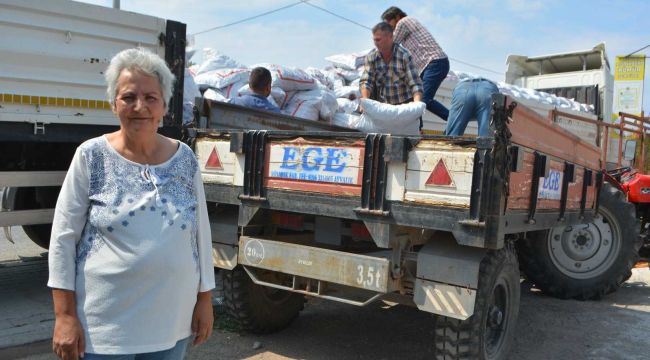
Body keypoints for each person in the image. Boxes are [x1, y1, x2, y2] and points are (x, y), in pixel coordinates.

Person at [47, 47, 215, 360]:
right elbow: (62, 239)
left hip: (172, 324)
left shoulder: (185, 160)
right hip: (106, 332)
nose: (140, 107)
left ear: (164, 105)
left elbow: (200, 234)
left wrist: (204, 299)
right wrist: (65, 316)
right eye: (128, 97)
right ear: (114, 104)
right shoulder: (91, 156)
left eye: (151, 97)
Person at [381, 6, 450, 121]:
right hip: (430, 65)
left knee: (423, 99)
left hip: (435, 63)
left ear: (397, 17)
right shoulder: (409, 24)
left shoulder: (403, 22)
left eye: (389, 21)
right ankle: (417, 128)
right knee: (415, 99)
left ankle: (454, 119)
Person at [359, 22, 423, 110]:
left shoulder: (404, 55)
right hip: (385, 105)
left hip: (406, 104)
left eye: (378, 40)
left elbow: (415, 84)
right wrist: (365, 101)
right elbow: (366, 81)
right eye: (374, 40)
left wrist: (416, 105)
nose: (375, 43)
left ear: (390, 37)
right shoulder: (372, 57)